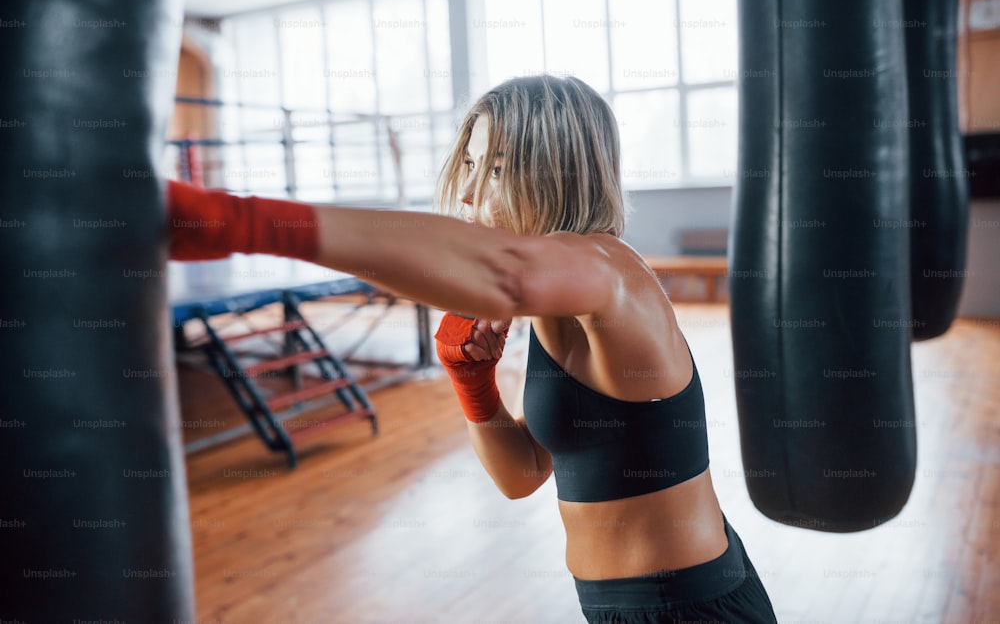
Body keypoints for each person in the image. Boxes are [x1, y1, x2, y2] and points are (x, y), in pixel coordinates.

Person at [167, 74, 777, 623]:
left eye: (494, 168)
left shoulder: (610, 271)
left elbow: (503, 273)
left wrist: (235, 223)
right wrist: (472, 379)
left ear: (552, 167)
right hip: (615, 608)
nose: (466, 197)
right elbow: (523, 474)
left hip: (688, 609)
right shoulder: (555, 313)